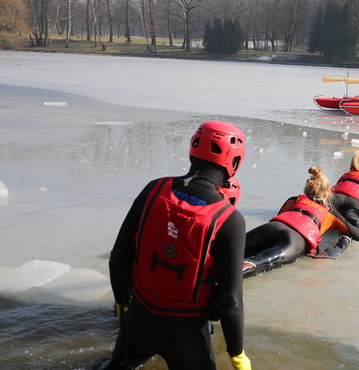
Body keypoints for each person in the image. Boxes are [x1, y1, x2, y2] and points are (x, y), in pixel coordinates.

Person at [105, 121, 251, 370]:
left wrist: (122, 305)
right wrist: (236, 353)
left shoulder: (154, 189)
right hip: (187, 331)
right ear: (234, 161)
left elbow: (119, 257)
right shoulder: (229, 220)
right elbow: (230, 301)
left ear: (193, 149)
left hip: (139, 318)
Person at [242, 166, 359, 277]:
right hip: (295, 239)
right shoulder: (329, 212)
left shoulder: (294, 199)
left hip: (274, 227)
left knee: (231, 249)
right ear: (327, 195)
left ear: (306, 188)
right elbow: (357, 234)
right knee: (256, 263)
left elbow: (281, 214)